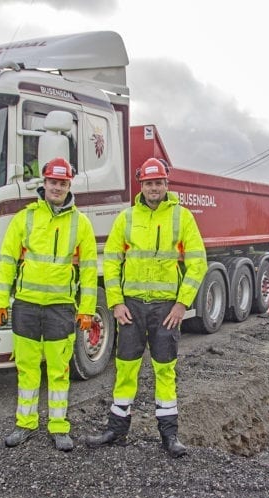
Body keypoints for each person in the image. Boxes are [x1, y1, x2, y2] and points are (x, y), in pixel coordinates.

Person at [85, 157, 208, 458]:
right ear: (142, 186)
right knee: (125, 369)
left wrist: (181, 305)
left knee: (165, 371)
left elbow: (198, 263)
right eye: (149, 183)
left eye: (159, 182)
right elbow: (111, 262)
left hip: (166, 310)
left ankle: (169, 436)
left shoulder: (182, 218)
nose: (154, 188)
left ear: (167, 184)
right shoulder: (126, 218)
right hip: (131, 308)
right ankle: (116, 429)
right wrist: (115, 303)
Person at [0, 157, 97, 451]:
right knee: (27, 369)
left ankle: (58, 427)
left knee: (59, 370)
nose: (57, 187)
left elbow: (89, 270)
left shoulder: (81, 223)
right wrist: (1, 302)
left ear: (68, 186)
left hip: (60, 308)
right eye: (52, 182)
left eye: (62, 183)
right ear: (44, 182)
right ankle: (24, 425)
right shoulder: (24, 218)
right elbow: (7, 262)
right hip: (26, 305)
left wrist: (87, 308)